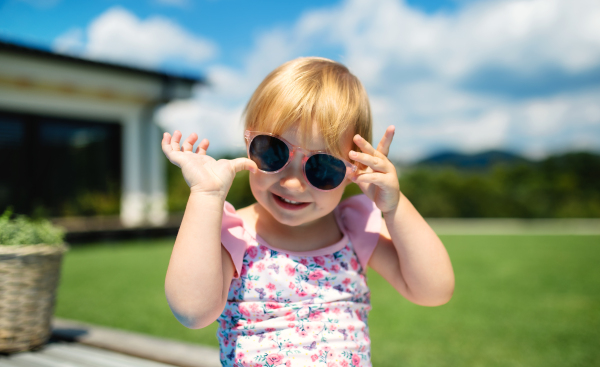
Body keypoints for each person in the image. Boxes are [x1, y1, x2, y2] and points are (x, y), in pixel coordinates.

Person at [161, 57, 455, 367]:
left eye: (322, 167)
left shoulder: (352, 230)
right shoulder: (234, 233)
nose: (292, 181)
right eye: (273, 151)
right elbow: (192, 311)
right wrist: (206, 197)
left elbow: (433, 290)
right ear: (249, 142)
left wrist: (394, 207)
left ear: (354, 170)